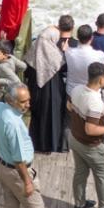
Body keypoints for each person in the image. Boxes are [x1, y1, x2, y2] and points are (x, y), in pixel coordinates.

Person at [0, 85, 58, 208]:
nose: (27, 104)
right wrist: (27, 182)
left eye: (28, 99)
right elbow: (19, 159)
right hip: (17, 173)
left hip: (1, 166)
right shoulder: (14, 125)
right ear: (11, 101)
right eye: (22, 102)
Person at [68, 62, 104, 208]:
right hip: (91, 145)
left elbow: (69, 106)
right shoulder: (95, 103)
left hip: (75, 139)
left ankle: (79, 205)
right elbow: (90, 129)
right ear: (102, 79)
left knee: (80, 173)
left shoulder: (76, 90)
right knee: (101, 174)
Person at [25, 15, 73, 154]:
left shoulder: (36, 47)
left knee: (37, 116)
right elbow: (64, 67)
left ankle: (37, 144)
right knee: (54, 117)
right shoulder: (57, 54)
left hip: (36, 86)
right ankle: (53, 145)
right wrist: (64, 52)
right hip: (54, 88)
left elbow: (28, 67)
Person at [65, 24, 104, 97]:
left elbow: (66, 50)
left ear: (77, 37)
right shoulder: (100, 55)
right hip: (90, 94)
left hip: (72, 92)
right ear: (91, 38)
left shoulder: (69, 52)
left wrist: (65, 48)